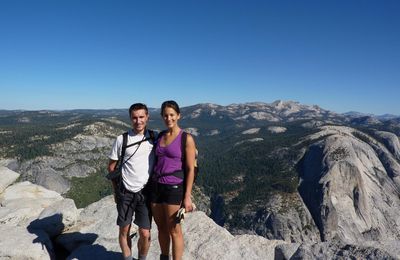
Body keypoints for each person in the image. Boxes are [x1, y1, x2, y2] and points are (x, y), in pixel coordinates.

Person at [108, 103, 155, 260]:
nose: (138, 121)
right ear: (130, 119)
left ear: (147, 117)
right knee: (124, 231)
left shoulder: (154, 138)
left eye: (141, 117)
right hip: (125, 192)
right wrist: (116, 190)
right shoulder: (122, 139)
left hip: (145, 193)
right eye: (134, 117)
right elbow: (112, 166)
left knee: (145, 233)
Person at [151, 100, 196, 260]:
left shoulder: (186, 138)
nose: (168, 118)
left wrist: (187, 196)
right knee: (161, 228)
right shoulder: (161, 136)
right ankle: (164, 256)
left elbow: (190, 169)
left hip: (173, 187)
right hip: (156, 187)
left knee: (174, 230)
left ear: (178, 116)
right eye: (165, 115)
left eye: (171, 115)